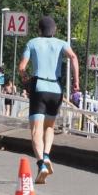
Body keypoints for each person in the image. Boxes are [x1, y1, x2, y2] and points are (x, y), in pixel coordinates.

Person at [18, 15, 79, 184]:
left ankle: (41, 164)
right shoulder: (61, 44)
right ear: (55, 31)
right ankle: (46, 155)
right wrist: (76, 82)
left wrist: (25, 79)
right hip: (56, 90)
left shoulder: (32, 43)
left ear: (39, 29)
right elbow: (73, 57)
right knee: (50, 127)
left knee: (35, 130)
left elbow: (22, 67)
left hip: (39, 88)